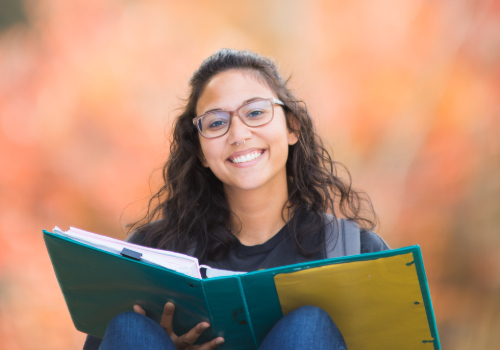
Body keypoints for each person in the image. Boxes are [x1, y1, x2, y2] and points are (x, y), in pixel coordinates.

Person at [83, 49, 389, 350]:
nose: (239, 134)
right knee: (131, 329)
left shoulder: (355, 249)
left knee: (308, 327)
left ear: (292, 126)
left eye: (255, 112)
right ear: (201, 151)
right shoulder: (153, 252)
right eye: (216, 123)